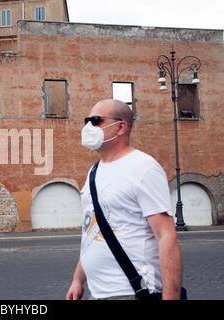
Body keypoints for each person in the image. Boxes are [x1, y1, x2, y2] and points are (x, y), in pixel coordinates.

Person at [66, 99, 183, 300]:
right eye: (86, 121)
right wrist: (78, 280)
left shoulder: (143, 168)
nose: (88, 127)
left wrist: (171, 296)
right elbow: (93, 231)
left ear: (121, 127)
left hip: (133, 291)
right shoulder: (94, 171)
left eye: (95, 120)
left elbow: (166, 235)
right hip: (98, 293)